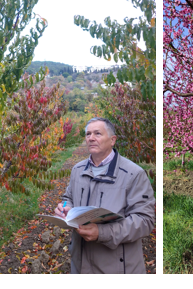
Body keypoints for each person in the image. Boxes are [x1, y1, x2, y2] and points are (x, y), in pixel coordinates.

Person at [54, 117, 155, 274]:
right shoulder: (77, 170)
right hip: (80, 262)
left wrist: (102, 233)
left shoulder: (133, 174)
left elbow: (145, 221)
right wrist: (65, 208)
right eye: (88, 134)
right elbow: (68, 198)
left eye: (97, 133)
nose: (91, 138)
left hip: (117, 267)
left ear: (112, 140)